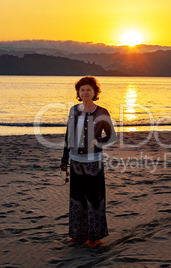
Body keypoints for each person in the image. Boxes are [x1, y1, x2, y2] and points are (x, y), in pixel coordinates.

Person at [60, 76, 116, 248]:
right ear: (78, 92)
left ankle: (94, 237)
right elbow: (68, 135)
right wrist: (64, 158)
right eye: (82, 90)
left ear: (95, 93)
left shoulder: (102, 112)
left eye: (88, 90)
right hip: (75, 161)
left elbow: (112, 136)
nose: (85, 92)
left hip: (93, 162)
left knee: (94, 199)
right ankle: (78, 235)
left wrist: (97, 142)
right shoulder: (73, 110)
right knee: (77, 199)